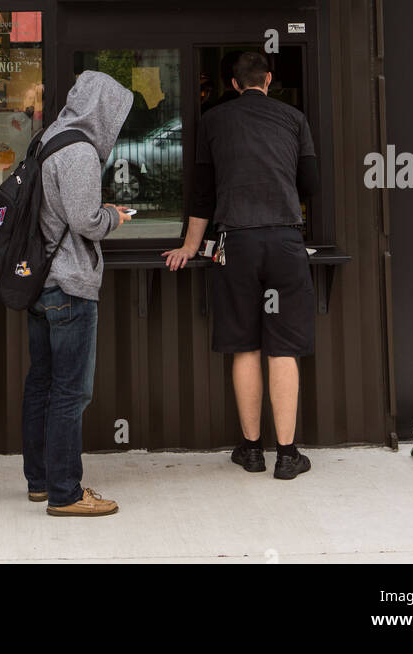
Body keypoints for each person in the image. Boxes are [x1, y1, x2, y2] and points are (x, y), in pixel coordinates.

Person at [162, 50, 319, 480]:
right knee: (283, 348)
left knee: (245, 345)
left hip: (235, 242)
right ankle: (288, 455)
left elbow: (202, 194)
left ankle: (251, 451)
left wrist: (191, 246)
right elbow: (311, 185)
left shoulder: (214, 121)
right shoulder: (294, 119)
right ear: (269, 80)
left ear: (233, 84)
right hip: (285, 239)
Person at [22, 69, 134, 516]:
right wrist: (115, 217)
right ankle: (66, 493)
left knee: (42, 385)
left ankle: (40, 482)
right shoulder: (80, 152)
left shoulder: (47, 139)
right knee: (71, 392)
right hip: (69, 285)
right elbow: (86, 221)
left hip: (38, 282)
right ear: (103, 109)